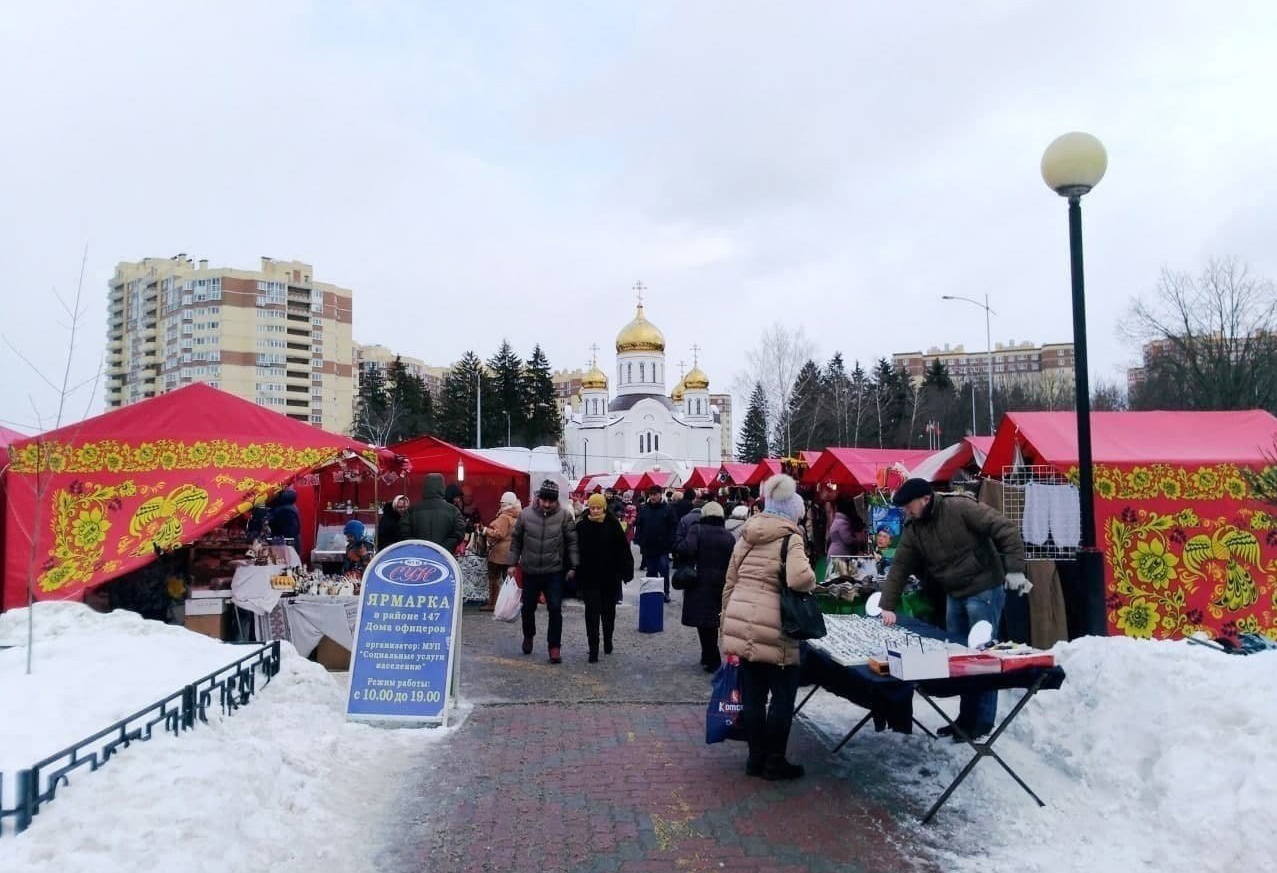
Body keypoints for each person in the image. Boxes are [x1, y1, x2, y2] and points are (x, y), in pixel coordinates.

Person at [879, 478, 1029, 741]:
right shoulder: (913, 527)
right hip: (955, 593)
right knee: (960, 659)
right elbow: (900, 566)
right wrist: (887, 605)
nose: (906, 510)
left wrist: (1015, 569)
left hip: (984, 588)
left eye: (908, 505)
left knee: (982, 657)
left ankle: (981, 721)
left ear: (925, 499)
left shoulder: (960, 507)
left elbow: (1004, 528)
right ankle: (965, 718)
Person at [721, 474, 816, 780]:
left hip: (742, 622)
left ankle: (754, 759)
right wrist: (812, 578)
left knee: (753, 695)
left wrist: (726, 623)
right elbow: (800, 579)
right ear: (792, 509)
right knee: (783, 696)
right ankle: (775, 761)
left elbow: (730, 581)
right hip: (775, 627)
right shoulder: (791, 537)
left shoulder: (747, 533)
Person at [508, 479, 579, 664]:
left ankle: (554, 647)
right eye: (544, 500)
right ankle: (528, 635)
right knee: (528, 607)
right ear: (538, 498)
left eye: (551, 501)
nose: (547, 504)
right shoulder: (525, 515)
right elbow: (516, 541)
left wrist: (573, 566)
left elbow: (572, 542)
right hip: (530, 569)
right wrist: (512, 563)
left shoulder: (564, 516)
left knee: (555, 609)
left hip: (554, 570)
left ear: (556, 500)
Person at [677, 500, 735, 673]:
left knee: (704, 622)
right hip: (721, 583)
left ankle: (712, 659)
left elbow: (687, 549)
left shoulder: (697, 530)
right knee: (712, 621)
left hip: (699, 582)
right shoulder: (728, 536)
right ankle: (708, 656)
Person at [576, 493, 633, 662]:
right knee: (591, 613)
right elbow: (574, 549)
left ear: (604, 508)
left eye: (598, 507)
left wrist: (626, 571)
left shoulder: (612, 524)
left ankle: (608, 640)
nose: (595, 511)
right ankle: (593, 648)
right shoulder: (582, 525)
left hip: (610, 576)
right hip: (590, 576)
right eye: (592, 508)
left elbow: (623, 549)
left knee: (609, 612)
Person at [399, 473, 465, 553]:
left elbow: (404, 534)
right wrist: (443, 548)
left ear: (424, 488)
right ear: (442, 488)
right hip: (445, 558)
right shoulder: (453, 510)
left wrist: (419, 548)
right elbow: (459, 533)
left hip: (419, 558)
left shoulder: (411, 511)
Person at [635, 484, 679, 603]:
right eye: (651, 495)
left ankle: (665, 593)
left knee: (664, 569)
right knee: (651, 571)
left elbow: (674, 526)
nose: (653, 497)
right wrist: (639, 539)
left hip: (662, 547)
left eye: (655, 494)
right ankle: (651, 593)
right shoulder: (644, 509)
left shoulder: (668, 509)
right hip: (648, 546)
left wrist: (670, 541)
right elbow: (638, 525)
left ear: (660, 494)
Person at [478, 491, 521, 611]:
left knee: (494, 579)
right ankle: (510, 604)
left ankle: (493, 603)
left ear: (504, 503)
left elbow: (499, 533)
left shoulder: (504, 516)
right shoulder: (517, 516)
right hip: (510, 553)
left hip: (498, 554)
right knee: (509, 582)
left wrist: (486, 530)